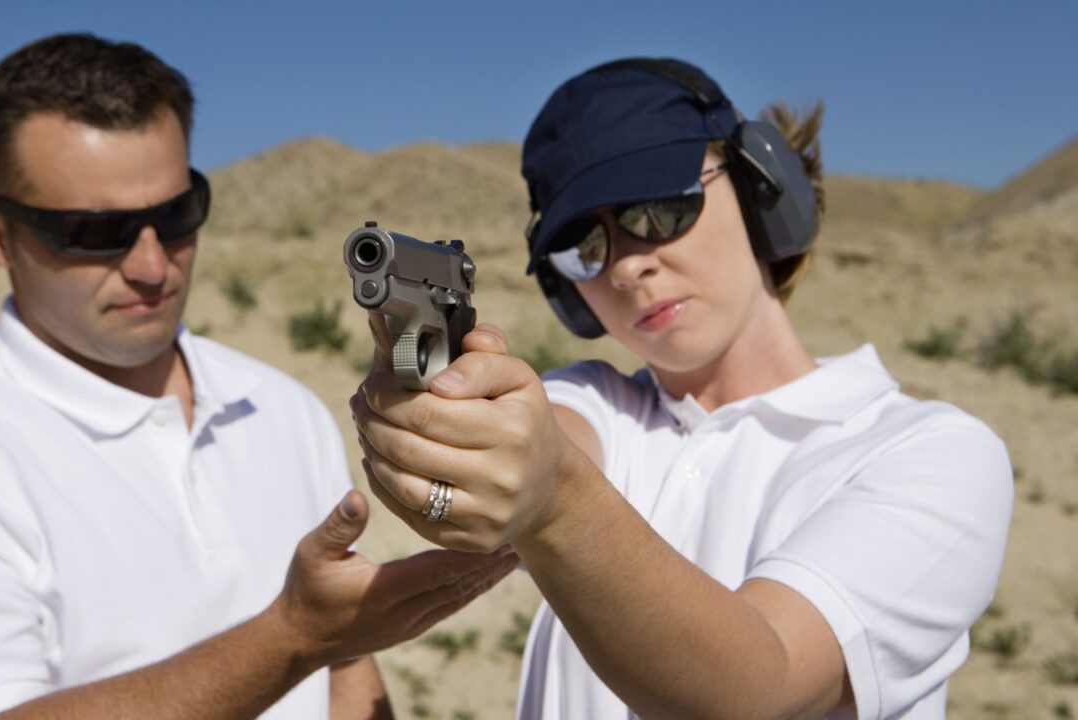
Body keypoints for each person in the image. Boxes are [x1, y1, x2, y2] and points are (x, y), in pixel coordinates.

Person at [0, 33, 518, 720]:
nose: (152, 265)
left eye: (176, 215)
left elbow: (346, 671)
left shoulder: (280, 406)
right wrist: (293, 638)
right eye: (96, 232)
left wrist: (326, 642)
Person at [351, 58, 1013, 719]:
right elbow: (529, 452)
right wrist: (440, 421)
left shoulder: (930, 454)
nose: (630, 263)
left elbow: (761, 688)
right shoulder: (599, 405)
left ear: (762, 191)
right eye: (585, 246)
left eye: (660, 210)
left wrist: (551, 498)